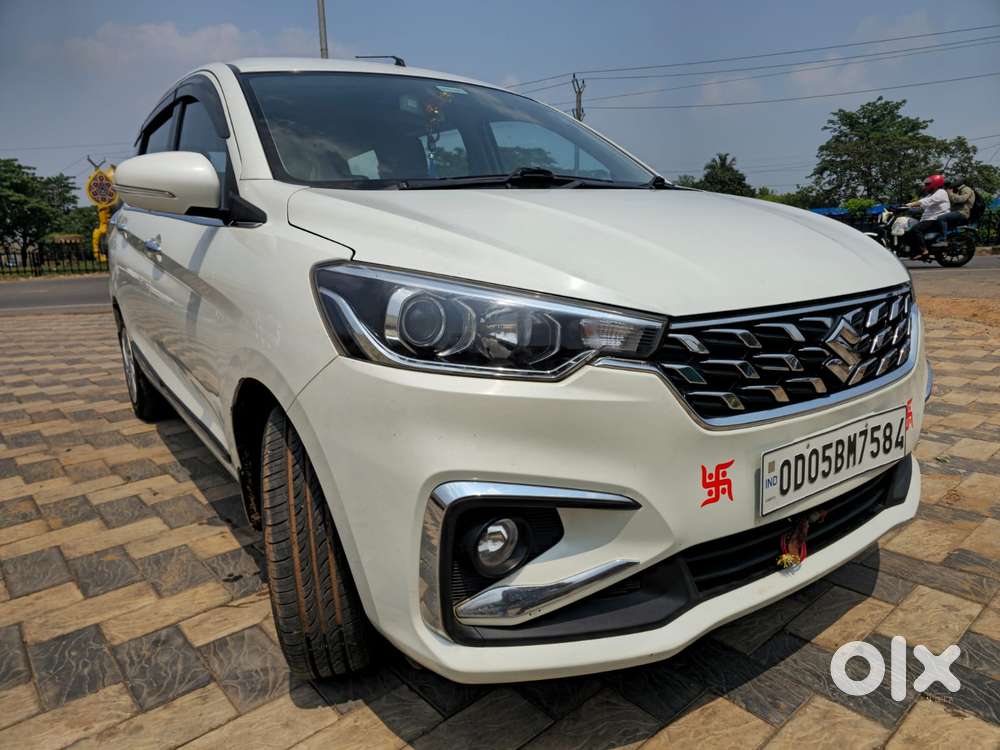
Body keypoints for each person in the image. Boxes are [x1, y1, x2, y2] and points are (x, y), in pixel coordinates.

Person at [903, 174, 950, 257]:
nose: (925, 186)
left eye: (927, 184)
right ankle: (914, 250)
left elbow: (926, 201)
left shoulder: (941, 192)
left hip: (934, 218)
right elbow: (922, 203)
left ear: (935, 184)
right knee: (908, 231)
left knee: (916, 229)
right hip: (927, 218)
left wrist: (908, 205)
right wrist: (905, 207)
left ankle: (924, 250)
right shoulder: (931, 194)